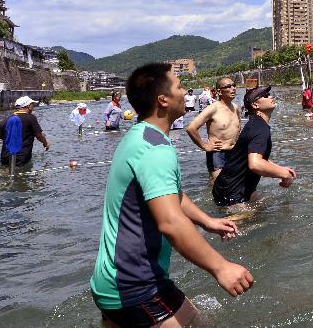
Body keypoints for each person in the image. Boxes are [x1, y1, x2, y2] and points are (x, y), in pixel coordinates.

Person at [90, 63, 252, 326]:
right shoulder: (155, 149)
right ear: (163, 100)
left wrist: (207, 221)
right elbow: (171, 222)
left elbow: (171, 193)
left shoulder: (140, 135)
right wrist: (220, 267)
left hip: (112, 281)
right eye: (179, 86)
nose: (185, 90)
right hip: (137, 284)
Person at [212, 85, 296, 206]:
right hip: (232, 193)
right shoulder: (259, 128)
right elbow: (255, 164)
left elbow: (253, 157)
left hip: (231, 188)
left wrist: (280, 169)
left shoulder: (256, 124)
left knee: (265, 205)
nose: (270, 97)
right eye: (265, 96)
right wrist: (285, 175)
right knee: (247, 224)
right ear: (255, 105)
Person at [185, 77, 242, 182]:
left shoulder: (236, 108)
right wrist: (204, 145)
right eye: (229, 86)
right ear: (219, 91)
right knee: (218, 186)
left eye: (234, 85)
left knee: (235, 186)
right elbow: (191, 128)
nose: (233, 88)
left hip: (234, 153)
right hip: (217, 153)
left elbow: (238, 129)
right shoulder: (212, 108)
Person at [0, 96, 50, 168]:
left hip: (5, 157)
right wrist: (45, 143)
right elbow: (39, 135)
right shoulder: (31, 118)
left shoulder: (6, 120)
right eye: (32, 104)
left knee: (5, 173)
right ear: (28, 106)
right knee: (21, 176)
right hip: (21, 157)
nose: (33, 107)